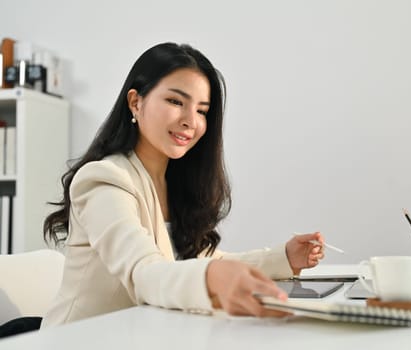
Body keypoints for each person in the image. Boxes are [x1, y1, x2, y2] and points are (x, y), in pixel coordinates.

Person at [41, 42, 325, 327]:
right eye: (176, 102)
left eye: (202, 110)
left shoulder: (172, 183)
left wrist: (284, 258)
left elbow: (201, 258)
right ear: (136, 102)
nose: (191, 121)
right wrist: (210, 277)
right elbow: (144, 271)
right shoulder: (104, 179)